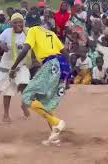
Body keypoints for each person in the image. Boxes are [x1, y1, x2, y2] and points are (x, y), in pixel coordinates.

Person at [9, 10, 71, 145]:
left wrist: (13, 67)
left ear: (28, 23)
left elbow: (25, 50)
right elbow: (65, 52)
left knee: (26, 96)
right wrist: (68, 73)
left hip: (51, 64)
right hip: (63, 65)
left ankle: (57, 122)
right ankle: (54, 134)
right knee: (46, 101)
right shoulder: (50, 32)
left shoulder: (32, 31)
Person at [0, 13, 31, 122]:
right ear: (11, 23)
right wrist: (1, 45)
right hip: (7, 63)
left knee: (25, 83)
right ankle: (6, 114)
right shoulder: (7, 32)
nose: (18, 24)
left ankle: (24, 104)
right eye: (15, 22)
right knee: (7, 89)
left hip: (21, 63)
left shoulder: (28, 32)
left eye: (20, 22)